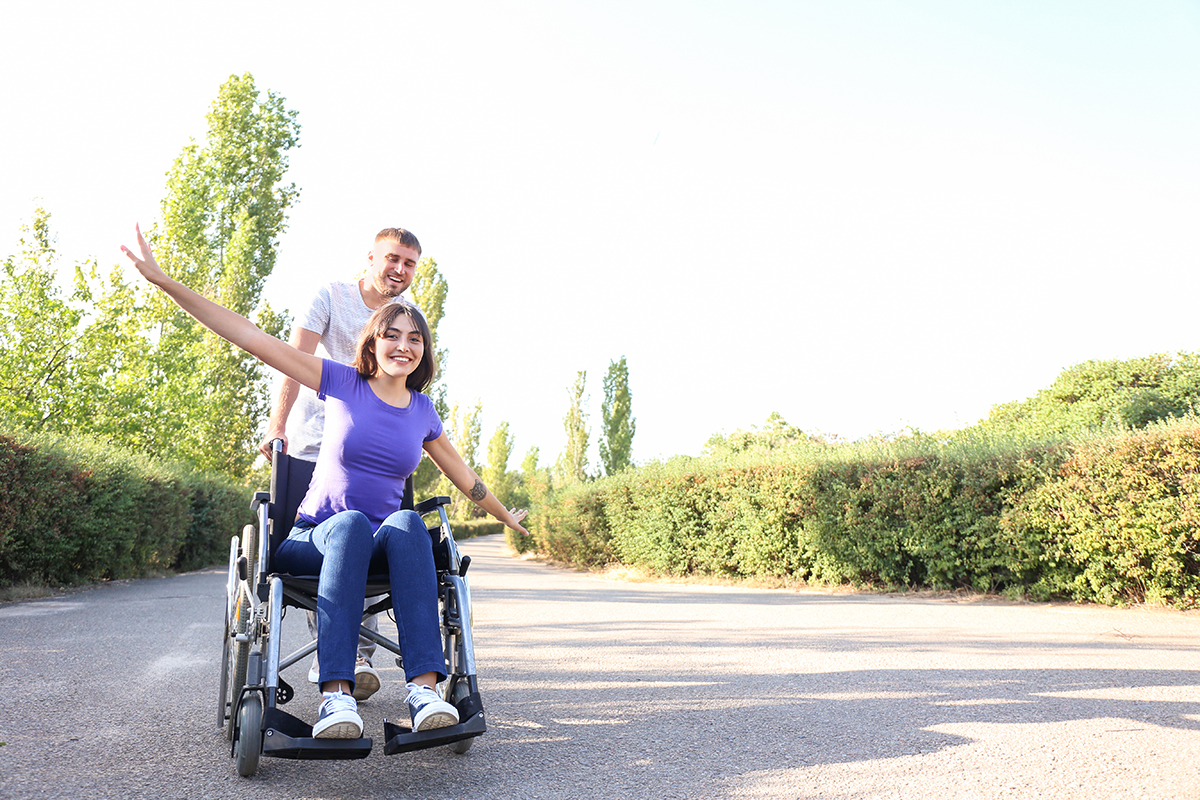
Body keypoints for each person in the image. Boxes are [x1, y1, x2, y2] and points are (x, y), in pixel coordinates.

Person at [122, 225, 529, 740]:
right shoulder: (340, 381)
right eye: (391, 335)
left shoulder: (423, 412)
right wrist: (165, 282)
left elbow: (465, 477)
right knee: (353, 523)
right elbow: (249, 336)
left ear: (424, 352)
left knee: (407, 522)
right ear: (372, 341)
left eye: (414, 339)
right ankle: (336, 699)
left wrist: (505, 516)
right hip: (313, 538)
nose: (403, 346)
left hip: (378, 544)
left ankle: (425, 691)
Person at [256, 227, 424, 702]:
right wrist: (278, 426)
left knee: (377, 532)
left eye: (409, 264)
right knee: (337, 536)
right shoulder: (331, 297)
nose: (400, 270)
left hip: (374, 450)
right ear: (370, 257)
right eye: (393, 259)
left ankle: (361, 655)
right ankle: (340, 652)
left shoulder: (409, 318)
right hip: (316, 443)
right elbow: (294, 360)